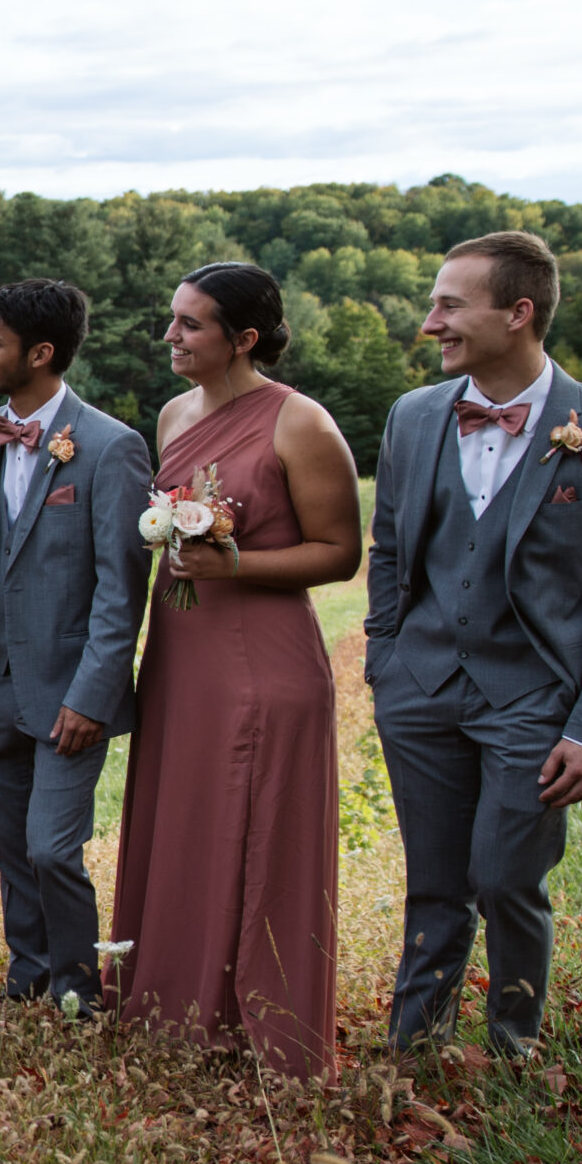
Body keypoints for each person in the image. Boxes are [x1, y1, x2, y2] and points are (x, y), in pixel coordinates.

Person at [368, 231, 582, 1058]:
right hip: (420, 688)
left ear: (519, 312)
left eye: (450, 305)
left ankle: (513, 1049)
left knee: (505, 879)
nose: (432, 322)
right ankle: (414, 1051)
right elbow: (390, 549)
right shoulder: (414, 416)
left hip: (536, 697)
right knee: (433, 884)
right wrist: (386, 665)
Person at [109, 263, 361, 1076]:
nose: (172, 336)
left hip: (265, 655)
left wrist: (236, 565)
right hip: (184, 649)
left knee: (253, 824)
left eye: (191, 324)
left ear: (243, 338)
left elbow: (341, 553)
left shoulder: (301, 423)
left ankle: (264, 1018)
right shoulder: (174, 413)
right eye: (173, 319)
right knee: (183, 815)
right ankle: (176, 1005)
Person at [0, 281, 151, 1012]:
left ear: (42, 353)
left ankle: (77, 988)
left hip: (69, 686)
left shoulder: (112, 446)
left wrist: (94, 694)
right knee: (8, 844)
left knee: (52, 846)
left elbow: (121, 591)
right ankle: (26, 977)